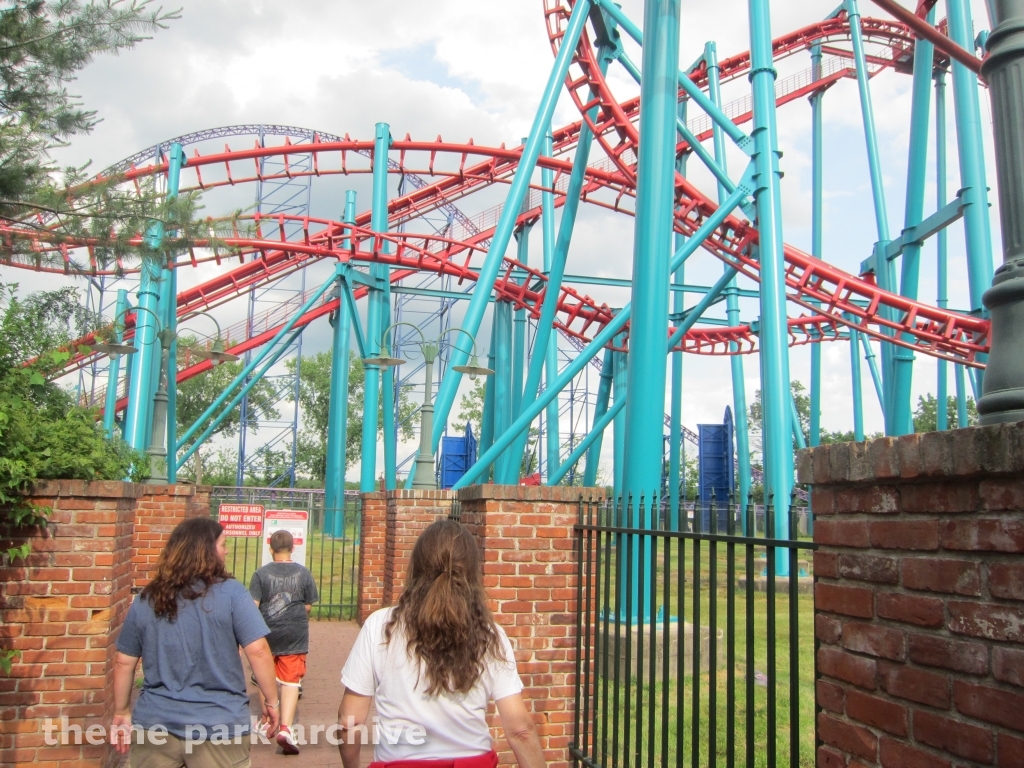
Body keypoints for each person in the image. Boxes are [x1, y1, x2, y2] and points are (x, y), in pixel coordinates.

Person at [337, 519, 545, 768]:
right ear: (472, 571)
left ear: (416, 566)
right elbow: (520, 730)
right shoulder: (490, 635)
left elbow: (349, 722)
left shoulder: (380, 626)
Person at [111, 517, 281, 767]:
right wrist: (271, 701)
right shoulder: (233, 593)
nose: (227, 550)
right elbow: (258, 652)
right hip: (219, 726)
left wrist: (121, 711)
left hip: (156, 724)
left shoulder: (148, 598)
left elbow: (123, 661)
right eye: (223, 544)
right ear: (206, 550)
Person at [249, 529, 319, 756]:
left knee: (263, 675)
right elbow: (308, 606)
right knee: (290, 680)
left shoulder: (260, 574)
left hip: (266, 631)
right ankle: (286, 728)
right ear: (293, 548)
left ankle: (267, 718)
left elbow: (254, 605)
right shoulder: (303, 573)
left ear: (270, 548)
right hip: (295, 633)